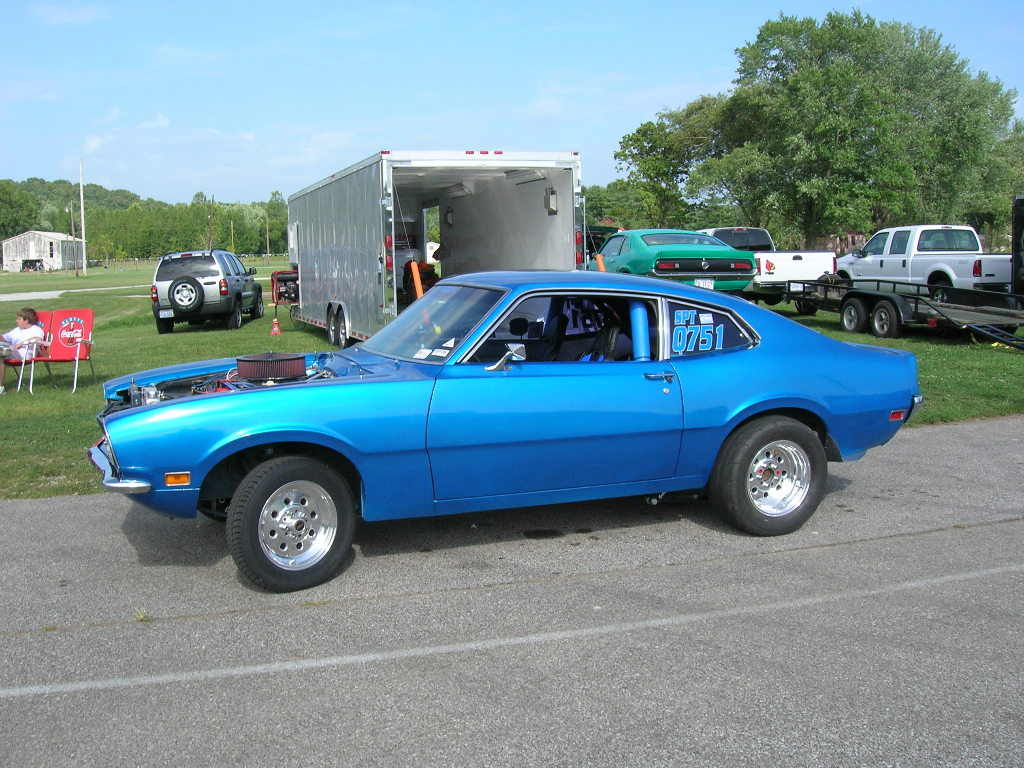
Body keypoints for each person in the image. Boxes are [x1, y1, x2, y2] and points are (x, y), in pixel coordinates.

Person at [0, 307, 46, 395]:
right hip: (12, 351)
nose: (16, 321)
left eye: (19, 319)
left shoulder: (36, 329)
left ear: (26, 320)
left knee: (0, 354)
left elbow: (38, 339)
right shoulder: (17, 330)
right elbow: (3, 338)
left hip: (23, 354)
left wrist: (22, 343)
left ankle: (0, 388)